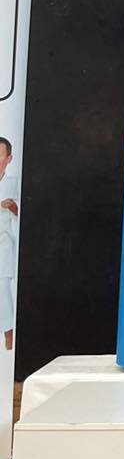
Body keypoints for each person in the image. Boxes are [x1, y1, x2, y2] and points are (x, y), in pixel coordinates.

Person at [0, 138, 17, 351]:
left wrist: (13, 208)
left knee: (2, 292)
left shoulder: (14, 183)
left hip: (2, 244)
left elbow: (22, 212)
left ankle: (9, 340)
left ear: (9, 158)